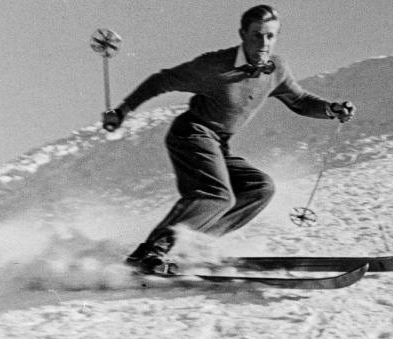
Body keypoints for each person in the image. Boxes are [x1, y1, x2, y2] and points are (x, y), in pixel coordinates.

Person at [102, 4, 355, 274]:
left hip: (218, 143)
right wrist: (123, 110)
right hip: (191, 134)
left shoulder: (276, 70)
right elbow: (161, 81)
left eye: (271, 36)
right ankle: (151, 252)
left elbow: (301, 100)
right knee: (216, 195)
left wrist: (330, 109)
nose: (264, 42)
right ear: (243, 34)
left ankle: (194, 244)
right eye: (257, 35)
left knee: (260, 188)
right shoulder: (214, 65)